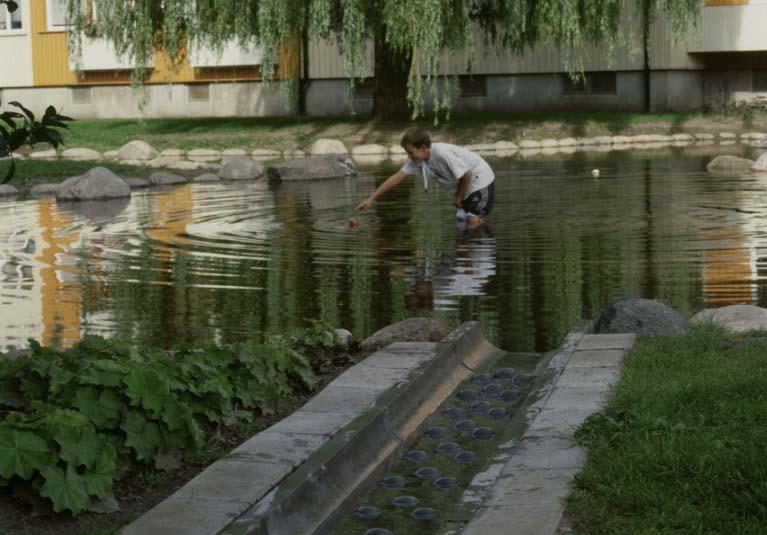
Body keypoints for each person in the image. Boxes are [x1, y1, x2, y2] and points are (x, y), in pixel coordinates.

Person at [354, 127, 495, 224]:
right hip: (466, 186)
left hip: (480, 178)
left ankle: (476, 253)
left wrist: (458, 196)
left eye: (410, 152)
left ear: (422, 148)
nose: (409, 156)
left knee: (472, 219)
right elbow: (396, 177)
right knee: (462, 219)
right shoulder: (418, 159)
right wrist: (371, 199)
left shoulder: (442, 153)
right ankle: (465, 260)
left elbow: (466, 174)